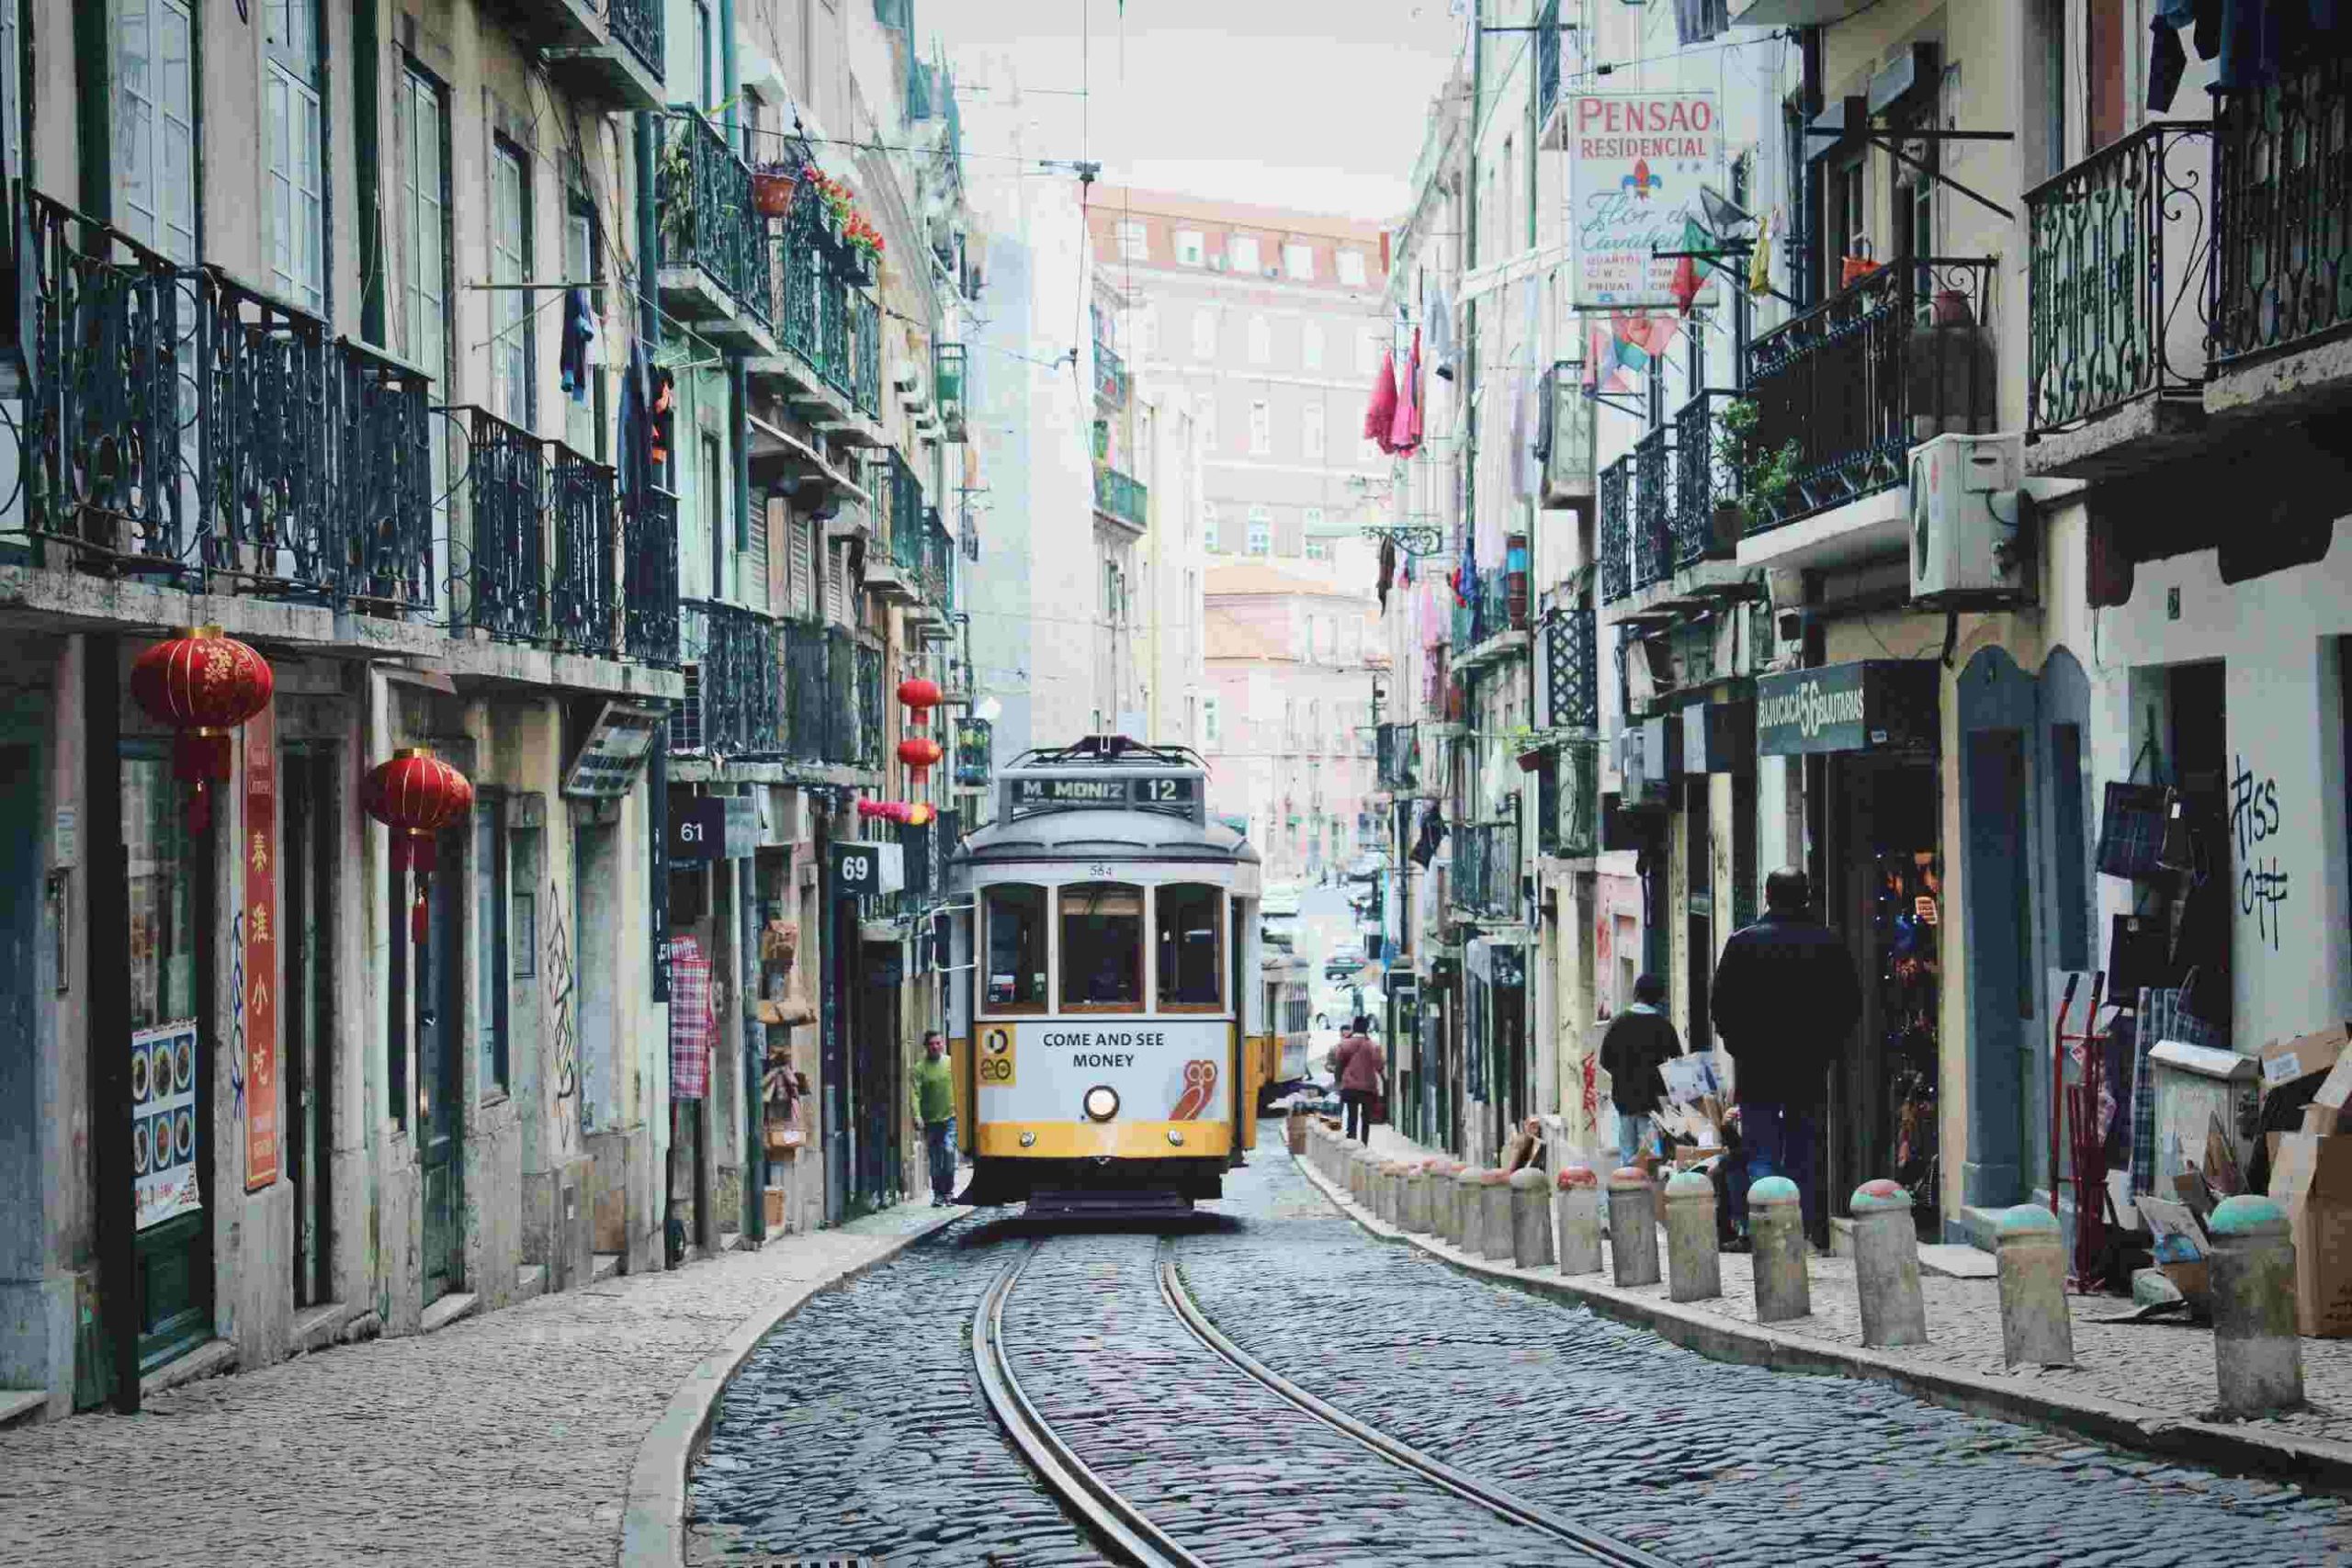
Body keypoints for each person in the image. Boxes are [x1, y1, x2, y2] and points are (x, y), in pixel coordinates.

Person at [1709, 868, 1862, 1247]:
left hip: (1756, 1066)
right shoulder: (1828, 943)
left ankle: (1768, 1230)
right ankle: (1801, 1228)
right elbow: (1849, 1005)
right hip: (1808, 1065)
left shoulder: (1743, 942)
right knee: (1803, 1147)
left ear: (1767, 895)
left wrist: (1739, 1046)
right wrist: (1827, 1047)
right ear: (1806, 896)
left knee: (1760, 1148)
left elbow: (1721, 1005)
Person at [1599, 973, 1679, 1168]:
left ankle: (1627, 1183)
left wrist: (1622, 1075)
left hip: (1624, 1098)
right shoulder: (1663, 1026)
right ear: (1659, 998)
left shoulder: (1618, 1023)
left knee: (1628, 1155)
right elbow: (1677, 1063)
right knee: (1650, 1156)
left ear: (1636, 993)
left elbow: (1605, 1061)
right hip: (1653, 1101)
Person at [911, 1031, 957, 1207]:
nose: (935, 1047)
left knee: (948, 1151)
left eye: (938, 1043)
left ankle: (949, 1192)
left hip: (950, 1117)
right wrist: (917, 1115)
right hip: (930, 1120)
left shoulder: (951, 1063)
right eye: (932, 1044)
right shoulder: (919, 1068)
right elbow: (915, 1094)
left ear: (942, 1044)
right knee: (935, 1159)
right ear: (926, 1046)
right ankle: (938, 1194)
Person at [1334, 1015, 1385, 1145]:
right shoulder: (1373, 1046)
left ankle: (1351, 1144)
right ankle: (1364, 1144)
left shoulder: (1344, 1044)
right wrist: (1384, 1080)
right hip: (1368, 1087)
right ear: (1367, 1028)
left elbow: (1339, 1066)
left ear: (1354, 1027)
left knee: (1352, 1117)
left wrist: (1338, 1083)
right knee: (1366, 1119)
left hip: (1350, 1086)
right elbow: (1379, 1066)